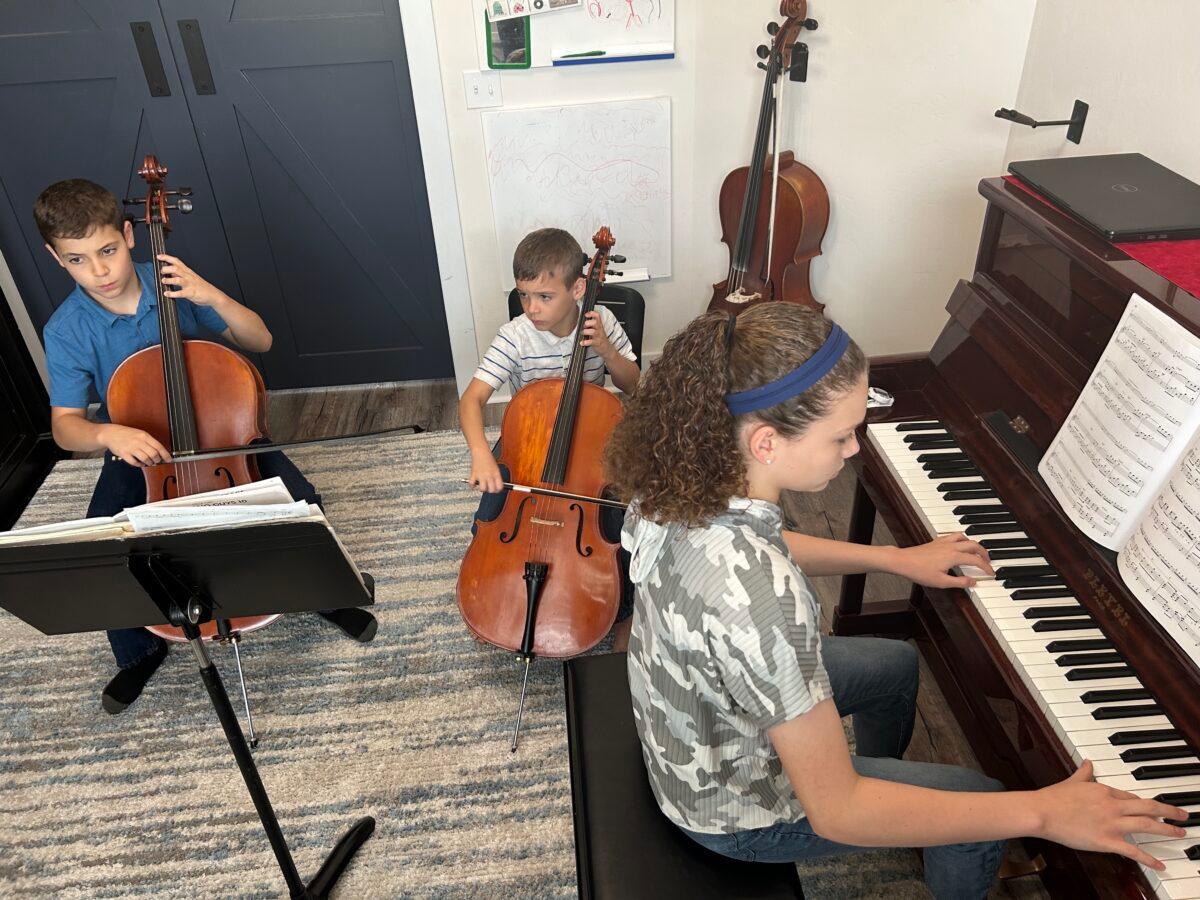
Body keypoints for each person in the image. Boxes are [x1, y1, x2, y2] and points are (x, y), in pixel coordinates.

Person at [603, 303, 1187, 898]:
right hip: (733, 813)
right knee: (981, 802)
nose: (855, 448)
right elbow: (834, 812)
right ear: (767, 443)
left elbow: (759, 542)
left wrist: (893, 558)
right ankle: (914, 822)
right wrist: (1044, 812)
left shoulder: (682, 479)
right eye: (841, 434)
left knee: (895, 665)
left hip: (690, 712)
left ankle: (896, 808)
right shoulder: (763, 599)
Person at [34, 178, 377, 715]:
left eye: (108, 251)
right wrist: (107, 434)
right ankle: (137, 651)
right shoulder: (67, 330)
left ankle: (326, 595)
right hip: (139, 450)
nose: (100, 271)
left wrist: (211, 296)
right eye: (79, 260)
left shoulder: (175, 284)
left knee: (302, 503)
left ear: (129, 234)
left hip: (222, 437)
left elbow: (259, 340)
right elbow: (65, 426)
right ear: (57, 259)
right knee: (109, 541)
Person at [459, 227, 640, 649]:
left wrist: (608, 352)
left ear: (579, 288)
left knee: (619, 528)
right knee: (489, 518)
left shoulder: (603, 321)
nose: (532, 309)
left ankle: (623, 614)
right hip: (531, 440)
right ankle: (493, 591)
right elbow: (471, 402)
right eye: (524, 296)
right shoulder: (516, 335)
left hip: (594, 442)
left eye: (544, 297)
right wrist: (481, 454)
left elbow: (633, 385)